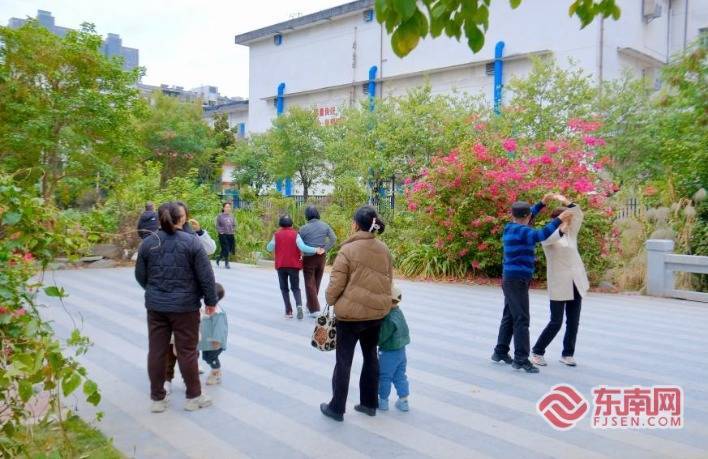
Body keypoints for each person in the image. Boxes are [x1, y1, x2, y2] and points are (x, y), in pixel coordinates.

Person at [135, 201, 217, 413]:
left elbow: (140, 275)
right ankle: (193, 397)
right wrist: (210, 301)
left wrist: (154, 290)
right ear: (182, 218)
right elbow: (206, 276)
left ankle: (157, 399)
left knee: (157, 351)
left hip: (156, 306)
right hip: (185, 307)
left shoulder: (148, 243)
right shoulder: (192, 242)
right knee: (187, 351)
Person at [320, 206, 393, 422]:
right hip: (376, 314)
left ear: (355, 224)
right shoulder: (384, 249)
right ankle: (369, 404)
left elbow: (336, 284)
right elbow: (389, 280)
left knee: (344, 361)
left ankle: (336, 408)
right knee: (370, 356)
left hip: (350, 317)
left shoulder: (347, 250)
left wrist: (330, 299)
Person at [491, 196, 573, 374]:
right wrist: (560, 219)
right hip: (517, 280)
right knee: (522, 319)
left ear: (513, 215)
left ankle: (500, 351)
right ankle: (521, 359)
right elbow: (540, 235)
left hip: (511, 279)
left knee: (510, 315)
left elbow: (529, 217)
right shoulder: (523, 231)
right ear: (526, 216)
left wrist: (542, 203)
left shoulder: (511, 227)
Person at [163, 201, 216, 395]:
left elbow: (210, 250)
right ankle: (167, 379)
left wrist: (200, 231)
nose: (180, 218)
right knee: (170, 342)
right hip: (166, 299)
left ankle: (191, 373)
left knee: (190, 339)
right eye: (177, 214)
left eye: (183, 214)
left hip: (188, 298)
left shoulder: (192, 235)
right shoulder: (160, 237)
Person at [531, 194, 589, 367]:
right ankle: (537, 351)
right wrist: (562, 225)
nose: (571, 222)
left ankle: (568, 354)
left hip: (576, 282)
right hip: (559, 283)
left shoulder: (571, 234)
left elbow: (578, 213)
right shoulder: (548, 236)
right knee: (556, 321)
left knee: (573, 321)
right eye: (567, 218)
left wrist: (566, 201)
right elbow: (551, 238)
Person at [266, 215, 323, 319]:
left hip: (281, 266)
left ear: (280, 224)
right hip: (293, 266)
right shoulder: (295, 234)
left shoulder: (276, 235)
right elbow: (303, 247)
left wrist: (274, 243)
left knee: (284, 289)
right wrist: (316, 249)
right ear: (291, 224)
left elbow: (269, 248)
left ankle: (288, 312)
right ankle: (299, 306)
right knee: (295, 288)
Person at [299, 206, 337, 318]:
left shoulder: (303, 228)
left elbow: (299, 243)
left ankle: (314, 309)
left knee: (309, 283)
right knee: (316, 282)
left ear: (307, 215)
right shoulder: (325, 225)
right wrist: (324, 249)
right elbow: (333, 238)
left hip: (308, 258)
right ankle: (309, 305)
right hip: (321, 257)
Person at [378, 284, 411, 412]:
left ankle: (383, 402)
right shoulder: (399, 312)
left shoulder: (389, 319)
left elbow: (382, 337)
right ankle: (404, 401)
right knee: (400, 376)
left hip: (388, 352)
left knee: (384, 377)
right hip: (401, 352)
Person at [199, 282, 228, 385]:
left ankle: (216, 373)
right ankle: (214, 371)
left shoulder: (218, 313)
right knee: (206, 356)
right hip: (207, 341)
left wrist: (217, 340)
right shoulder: (206, 308)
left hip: (215, 342)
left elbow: (219, 328)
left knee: (211, 357)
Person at [216, 202, 236, 269]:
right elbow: (217, 225)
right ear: (223, 208)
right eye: (226, 207)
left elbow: (234, 225)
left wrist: (233, 230)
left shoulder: (232, 216)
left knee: (228, 249)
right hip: (223, 235)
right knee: (226, 249)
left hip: (230, 234)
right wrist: (220, 231)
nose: (228, 208)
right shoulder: (220, 216)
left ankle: (219, 257)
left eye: (229, 207)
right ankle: (227, 263)